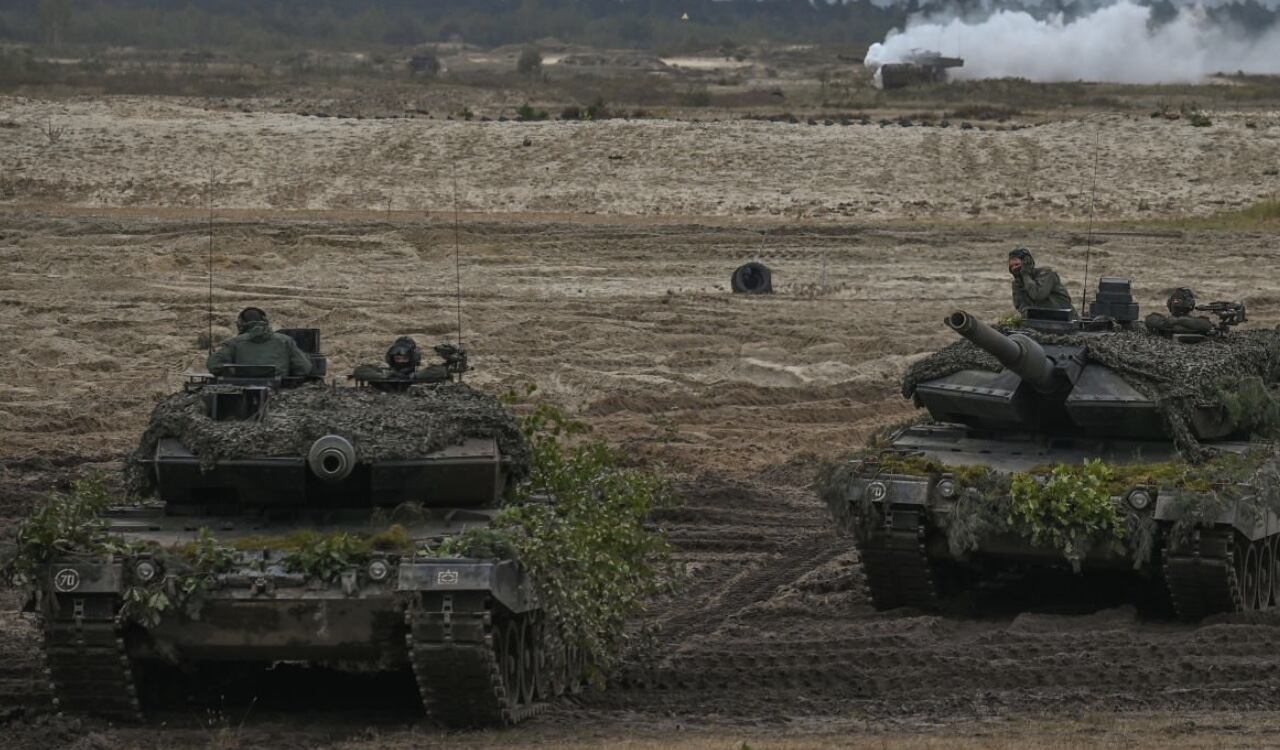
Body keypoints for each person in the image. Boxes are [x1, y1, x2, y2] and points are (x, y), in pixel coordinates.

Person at [206, 307, 313, 377]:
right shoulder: (285, 341)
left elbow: (214, 365)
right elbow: (304, 368)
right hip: (280, 392)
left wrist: (232, 373)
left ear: (240, 324)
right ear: (265, 321)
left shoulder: (234, 343)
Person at [1008, 248, 1075, 316]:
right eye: (1011, 266)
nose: (1014, 268)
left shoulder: (1047, 274)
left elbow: (1038, 295)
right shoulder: (1017, 284)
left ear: (1026, 263)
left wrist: (1025, 274)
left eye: (1017, 264)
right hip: (1041, 319)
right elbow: (1021, 305)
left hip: (1064, 318)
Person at [1145, 287, 1214, 335]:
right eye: (1174, 300)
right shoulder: (1164, 320)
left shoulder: (1199, 322)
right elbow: (1150, 320)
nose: (1176, 303)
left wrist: (1178, 321)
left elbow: (1206, 325)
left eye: (1179, 300)